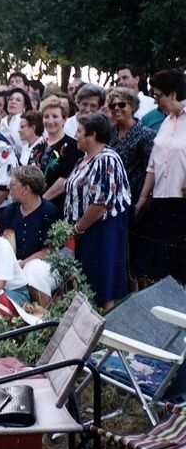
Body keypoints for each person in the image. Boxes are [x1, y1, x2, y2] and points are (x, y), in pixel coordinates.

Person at [64, 113, 131, 309]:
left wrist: (77, 228)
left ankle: (106, 330)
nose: (75, 135)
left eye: (79, 131)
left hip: (101, 229)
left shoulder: (106, 160)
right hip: (86, 228)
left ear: (91, 135)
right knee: (88, 280)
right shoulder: (84, 159)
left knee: (102, 283)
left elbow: (100, 204)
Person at [135, 69, 186, 284]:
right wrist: (143, 198)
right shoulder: (166, 123)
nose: (156, 102)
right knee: (161, 265)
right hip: (161, 201)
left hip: (182, 201)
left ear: (173, 94)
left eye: (158, 95)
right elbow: (153, 165)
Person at [1, 167, 60, 306]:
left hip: (44, 266)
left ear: (26, 189)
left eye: (13, 186)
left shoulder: (49, 212)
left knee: (33, 271)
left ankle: (44, 317)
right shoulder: (10, 211)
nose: (10, 191)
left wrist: (21, 264)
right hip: (14, 266)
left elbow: (48, 251)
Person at [36, 96, 83, 214]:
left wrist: (40, 202)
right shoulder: (39, 147)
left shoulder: (73, 146)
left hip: (57, 207)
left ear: (64, 119)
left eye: (55, 116)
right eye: (46, 116)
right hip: (35, 206)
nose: (50, 121)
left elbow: (65, 180)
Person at [0, 88, 32, 154]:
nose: (13, 102)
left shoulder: (28, 121)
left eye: (18, 100)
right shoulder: (3, 121)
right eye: (10, 99)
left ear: (24, 107)